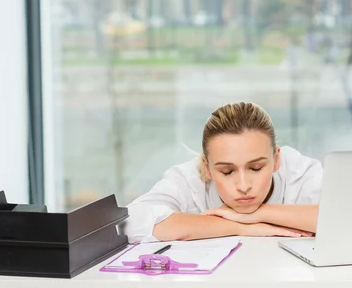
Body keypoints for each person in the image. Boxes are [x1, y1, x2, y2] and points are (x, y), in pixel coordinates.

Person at [123, 102, 323, 243]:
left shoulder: (299, 171)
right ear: (207, 167)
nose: (244, 186)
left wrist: (258, 214)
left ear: (277, 159)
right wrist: (240, 227)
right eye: (227, 172)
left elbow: (347, 219)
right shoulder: (188, 179)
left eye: (255, 168)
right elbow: (129, 222)